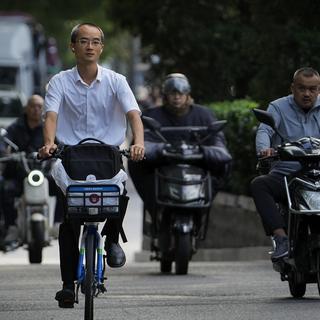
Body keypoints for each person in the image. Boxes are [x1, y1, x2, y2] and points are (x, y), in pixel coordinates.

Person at [38, 22, 144, 308]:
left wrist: (138, 143)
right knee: (69, 220)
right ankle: (66, 285)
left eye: (96, 42)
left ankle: (111, 239)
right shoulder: (59, 81)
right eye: (84, 41)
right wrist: (49, 144)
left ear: (101, 47)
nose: (90, 46)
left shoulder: (116, 81)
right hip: (70, 156)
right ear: (73, 46)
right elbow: (50, 116)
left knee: (120, 191)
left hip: (109, 154)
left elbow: (134, 115)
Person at [128, 73, 231, 219]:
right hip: (161, 167)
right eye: (172, 93)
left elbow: (219, 145)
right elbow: (141, 143)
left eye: (181, 93)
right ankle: (155, 211)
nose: (177, 97)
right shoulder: (152, 116)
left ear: (187, 94)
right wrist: (158, 150)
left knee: (223, 166)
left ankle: (202, 207)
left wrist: (204, 151)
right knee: (136, 162)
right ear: (165, 95)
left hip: (197, 169)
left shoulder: (204, 115)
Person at [250, 67, 320, 261]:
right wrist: (264, 150)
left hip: (318, 173)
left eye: (312, 89)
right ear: (292, 88)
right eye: (301, 88)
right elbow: (265, 130)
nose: (307, 94)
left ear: (319, 89)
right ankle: (280, 237)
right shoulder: (278, 107)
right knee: (259, 184)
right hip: (288, 173)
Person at [1, 94, 46, 249]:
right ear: (27, 108)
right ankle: (11, 226)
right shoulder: (15, 127)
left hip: (41, 173)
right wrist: (5, 153)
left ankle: (58, 222)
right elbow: (3, 141)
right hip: (19, 174)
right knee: (6, 189)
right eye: (33, 106)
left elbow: (57, 144)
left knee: (62, 188)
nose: (36, 109)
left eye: (40, 106)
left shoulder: (47, 128)